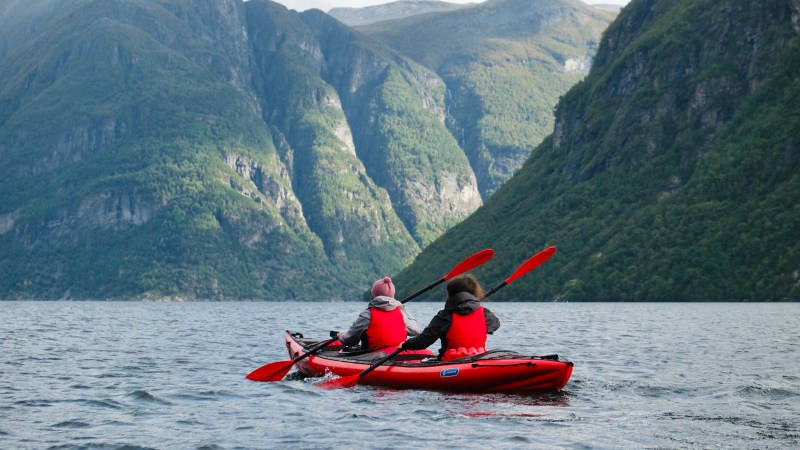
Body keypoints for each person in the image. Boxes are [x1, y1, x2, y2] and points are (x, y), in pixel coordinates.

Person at [399, 273, 500, 360]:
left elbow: (423, 341)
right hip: (478, 358)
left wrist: (405, 345)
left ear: (451, 294)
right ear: (474, 293)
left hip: (451, 362)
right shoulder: (484, 313)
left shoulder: (445, 316)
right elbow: (496, 324)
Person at [337, 277, 427, 354]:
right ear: (392, 296)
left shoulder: (367, 315)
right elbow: (417, 331)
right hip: (397, 356)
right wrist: (402, 308)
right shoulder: (401, 313)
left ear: (373, 295)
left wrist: (340, 335)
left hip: (371, 358)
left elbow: (349, 340)